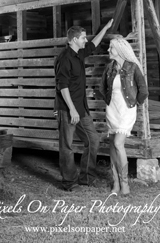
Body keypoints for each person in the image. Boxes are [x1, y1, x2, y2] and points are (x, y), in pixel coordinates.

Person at [54, 19, 113, 191]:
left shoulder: (79, 53)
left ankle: (86, 177)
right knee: (67, 146)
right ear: (73, 40)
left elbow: (93, 44)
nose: (85, 41)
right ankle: (69, 182)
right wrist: (72, 109)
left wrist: (106, 28)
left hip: (81, 108)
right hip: (67, 110)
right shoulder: (64, 58)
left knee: (93, 140)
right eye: (83, 38)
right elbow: (62, 86)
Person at [99, 36, 148, 196]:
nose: (108, 50)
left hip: (126, 110)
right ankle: (116, 184)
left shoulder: (133, 67)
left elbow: (143, 90)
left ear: (119, 50)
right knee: (113, 144)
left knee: (119, 143)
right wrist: (108, 100)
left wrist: (134, 104)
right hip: (112, 109)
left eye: (111, 48)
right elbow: (102, 88)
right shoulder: (109, 68)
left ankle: (125, 184)